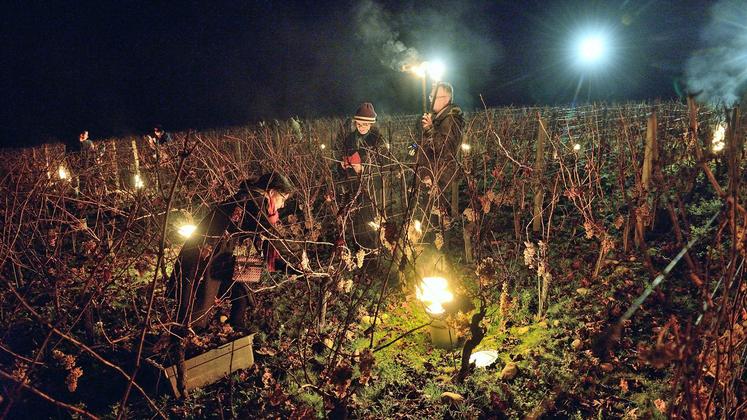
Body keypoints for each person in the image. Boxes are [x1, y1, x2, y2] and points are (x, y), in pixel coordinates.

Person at [171, 172, 295, 331]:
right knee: (196, 310)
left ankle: (236, 327)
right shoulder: (253, 202)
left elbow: (261, 239)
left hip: (216, 253)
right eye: (283, 199)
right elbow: (268, 237)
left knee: (245, 281)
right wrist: (293, 265)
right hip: (206, 255)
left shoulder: (248, 198)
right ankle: (188, 342)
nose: (283, 205)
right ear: (271, 192)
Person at [415, 81, 465, 240]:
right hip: (432, 174)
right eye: (430, 96)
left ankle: (441, 254)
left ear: (446, 98)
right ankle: (431, 250)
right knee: (428, 216)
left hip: (441, 177)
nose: (430, 100)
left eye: (433, 96)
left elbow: (445, 149)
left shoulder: (451, 120)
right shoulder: (438, 119)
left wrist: (430, 129)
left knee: (438, 218)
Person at [337, 103, 385, 251]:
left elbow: (384, 162)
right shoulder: (349, 139)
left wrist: (365, 167)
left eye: (365, 124)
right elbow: (343, 158)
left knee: (370, 216)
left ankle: (373, 247)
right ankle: (359, 247)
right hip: (353, 184)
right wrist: (343, 165)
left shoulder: (377, 139)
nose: (361, 127)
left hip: (371, 185)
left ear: (371, 124)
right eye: (358, 124)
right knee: (356, 216)